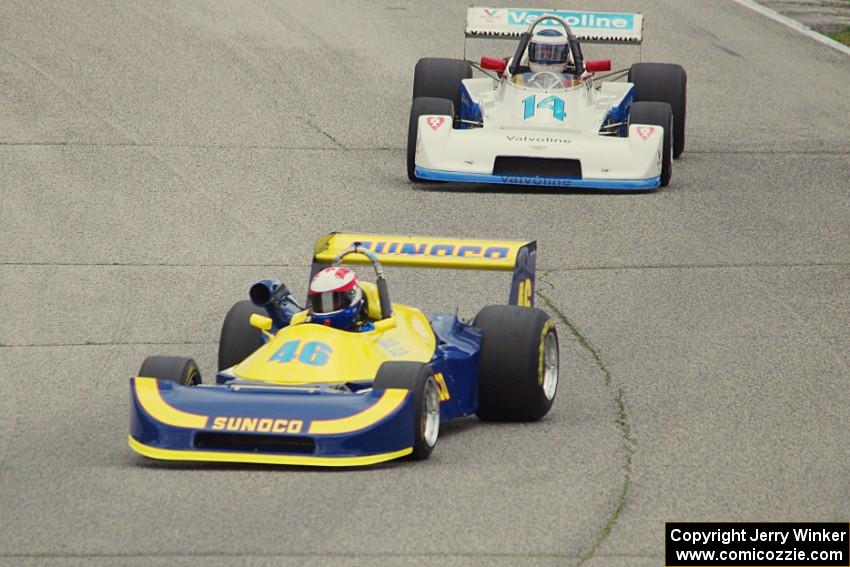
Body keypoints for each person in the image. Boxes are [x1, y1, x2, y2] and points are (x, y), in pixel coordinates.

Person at [308, 266, 373, 331]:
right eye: (320, 303)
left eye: (335, 301)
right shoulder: (310, 318)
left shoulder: (368, 328)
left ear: (352, 295)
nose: (328, 307)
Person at [513, 28, 581, 88]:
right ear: (530, 53)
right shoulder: (521, 78)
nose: (545, 58)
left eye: (550, 54)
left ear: (565, 56)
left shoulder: (571, 80)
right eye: (541, 54)